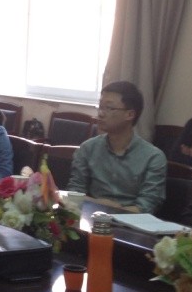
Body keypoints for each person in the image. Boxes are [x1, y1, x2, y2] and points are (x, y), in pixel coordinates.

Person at [68, 81, 166, 213]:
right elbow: (74, 194)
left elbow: (146, 207)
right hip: (90, 216)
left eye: (109, 108)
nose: (101, 114)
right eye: (100, 107)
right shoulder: (88, 148)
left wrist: (112, 210)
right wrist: (100, 205)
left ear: (130, 114)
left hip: (131, 222)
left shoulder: (153, 157)